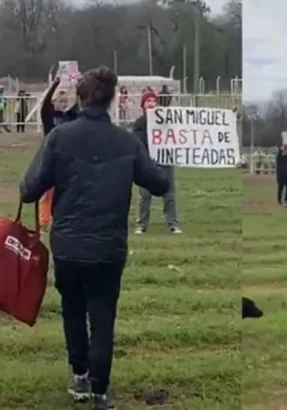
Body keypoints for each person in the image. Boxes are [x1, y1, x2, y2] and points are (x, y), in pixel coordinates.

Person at [18, 66, 169, 409]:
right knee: (103, 318)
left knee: (72, 310)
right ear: (113, 99)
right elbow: (159, 185)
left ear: (81, 99)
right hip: (108, 248)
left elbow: (29, 191)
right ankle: (101, 391)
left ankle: (80, 375)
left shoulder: (60, 137)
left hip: (69, 245)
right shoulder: (128, 141)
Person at [133, 90, 182, 234]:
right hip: (147, 163)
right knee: (145, 195)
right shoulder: (139, 123)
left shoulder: (166, 122)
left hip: (165, 160)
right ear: (143, 105)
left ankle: (173, 224)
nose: (151, 104)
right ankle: (141, 224)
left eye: (154, 101)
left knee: (169, 194)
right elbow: (138, 142)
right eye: (148, 101)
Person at [39, 78, 81, 231]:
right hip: (50, 157)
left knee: (64, 191)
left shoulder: (70, 118)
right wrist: (55, 85)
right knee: (47, 193)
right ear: (54, 102)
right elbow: (45, 105)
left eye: (65, 102)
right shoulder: (49, 117)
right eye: (60, 101)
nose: (62, 104)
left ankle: (61, 218)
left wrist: (77, 87)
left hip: (67, 158)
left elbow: (78, 106)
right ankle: (44, 221)